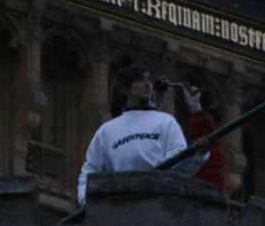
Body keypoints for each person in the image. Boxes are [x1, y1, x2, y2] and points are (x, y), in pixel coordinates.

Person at [76, 64, 211, 205]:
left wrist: (199, 155)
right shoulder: (107, 131)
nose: (148, 84)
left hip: (158, 204)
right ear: (125, 89)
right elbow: (90, 172)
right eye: (140, 80)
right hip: (121, 208)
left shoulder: (166, 122)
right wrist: (86, 202)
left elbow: (179, 167)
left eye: (148, 79)